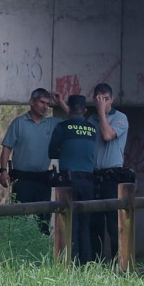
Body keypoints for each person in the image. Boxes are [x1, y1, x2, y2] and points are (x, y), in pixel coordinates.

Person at [0, 88, 66, 233]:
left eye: (47, 104)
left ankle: (41, 254)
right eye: (42, 102)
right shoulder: (18, 123)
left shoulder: (51, 123)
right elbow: (6, 149)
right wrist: (3, 171)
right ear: (31, 102)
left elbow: (74, 119)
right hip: (22, 179)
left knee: (43, 224)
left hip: (42, 179)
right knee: (18, 222)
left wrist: (60, 102)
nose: (45, 106)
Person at [49, 95, 98, 263]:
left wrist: (64, 152)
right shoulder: (92, 129)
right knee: (85, 226)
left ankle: (71, 263)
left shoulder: (62, 127)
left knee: (70, 224)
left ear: (68, 108)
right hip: (88, 181)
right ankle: (87, 264)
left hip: (68, 182)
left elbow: (51, 152)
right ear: (85, 110)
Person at [88, 82, 131, 261]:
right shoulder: (91, 120)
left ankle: (117, 262)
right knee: (94, 223)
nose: (103, 103)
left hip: (113, 176)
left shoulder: (121, 118)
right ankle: (96, 262)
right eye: (99, 99)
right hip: (94, 176)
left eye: (106, 99)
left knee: (114, 223)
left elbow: (107, 136)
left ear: (111, 100)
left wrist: (101, 113)